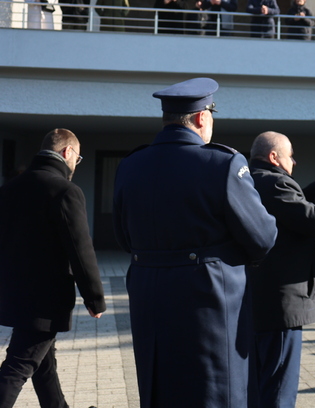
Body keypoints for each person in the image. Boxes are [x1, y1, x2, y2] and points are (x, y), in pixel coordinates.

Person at [113, 77, 277, 408]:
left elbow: (123, 237)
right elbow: (263, 237)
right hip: (209, 301)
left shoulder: (130, 166)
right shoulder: (223, 163)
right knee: (216, 395)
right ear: (202, 117)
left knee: (159, 392)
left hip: (149, 297)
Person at [0, 129, 105, 407]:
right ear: (67, 153)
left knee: (44, 366)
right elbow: (80, 249)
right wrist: (94, 298)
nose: (75, 165)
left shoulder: (9, 189)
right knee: (18, 367)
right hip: (45, 300)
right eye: (77, 158)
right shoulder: (65, 191)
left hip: (13, 293)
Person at [246, 131, 315, 408]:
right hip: (280, 308)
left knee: (259, 383)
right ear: (274, 157)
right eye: (290, 155)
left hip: (257, 303)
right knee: (279, 388)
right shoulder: (273, 183)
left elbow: (292, 205)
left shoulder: (250, 181)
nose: (295, 161)